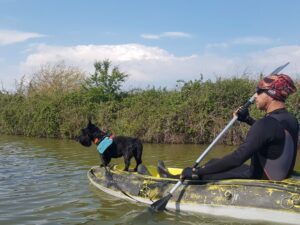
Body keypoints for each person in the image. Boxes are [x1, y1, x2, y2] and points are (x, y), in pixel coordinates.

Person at [181, 74, 299, 181]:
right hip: (277, 175)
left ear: (271, 94)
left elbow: (237, 158)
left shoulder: (265, 124)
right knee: (214, 162)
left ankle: (179, 178)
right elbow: (273, 134)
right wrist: (248, 119)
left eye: (259, 91)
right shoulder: (290, 119)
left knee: (205, 174)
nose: (255, 96)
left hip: (260, 179)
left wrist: (197, 171)